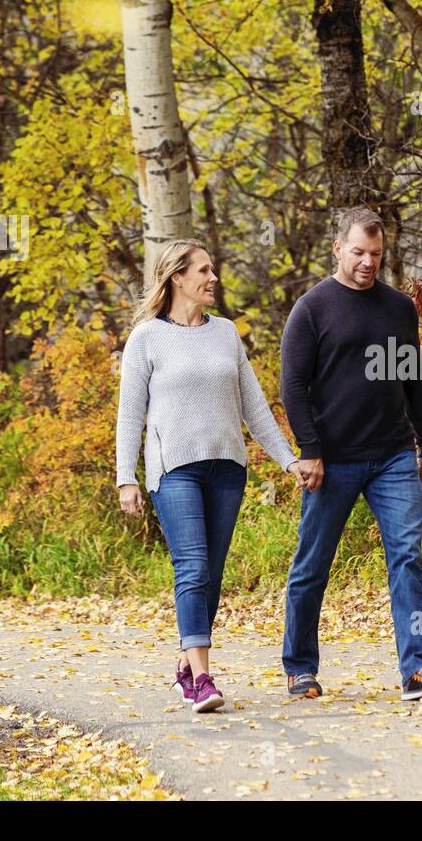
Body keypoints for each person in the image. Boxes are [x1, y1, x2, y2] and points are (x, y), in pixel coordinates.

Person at [116, 238, 310, 713]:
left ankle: (186, 662)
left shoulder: (225, 332)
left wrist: (288, 459)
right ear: (177, 277)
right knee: (193, 567)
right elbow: (130, 414)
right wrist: (126, 476)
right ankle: (202, 679)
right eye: (203, 270)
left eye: (212, 269)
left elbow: (254, 406)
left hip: (227, 466)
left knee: (213, 574)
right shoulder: (146, 338)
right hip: (173, 468)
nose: (212, 278)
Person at [280, 206, 422, 701]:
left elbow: (413, 378)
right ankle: (299, 667)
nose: (367, 262)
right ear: (338, 249)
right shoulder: (312, 309)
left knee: (406, 557)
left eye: (375, 254)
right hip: (332, 460)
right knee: (314, 562)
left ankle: (416, 669)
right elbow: (293, 385)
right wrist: (309, 449)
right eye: (358, 252)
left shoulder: (398, 307)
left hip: (393, 456)